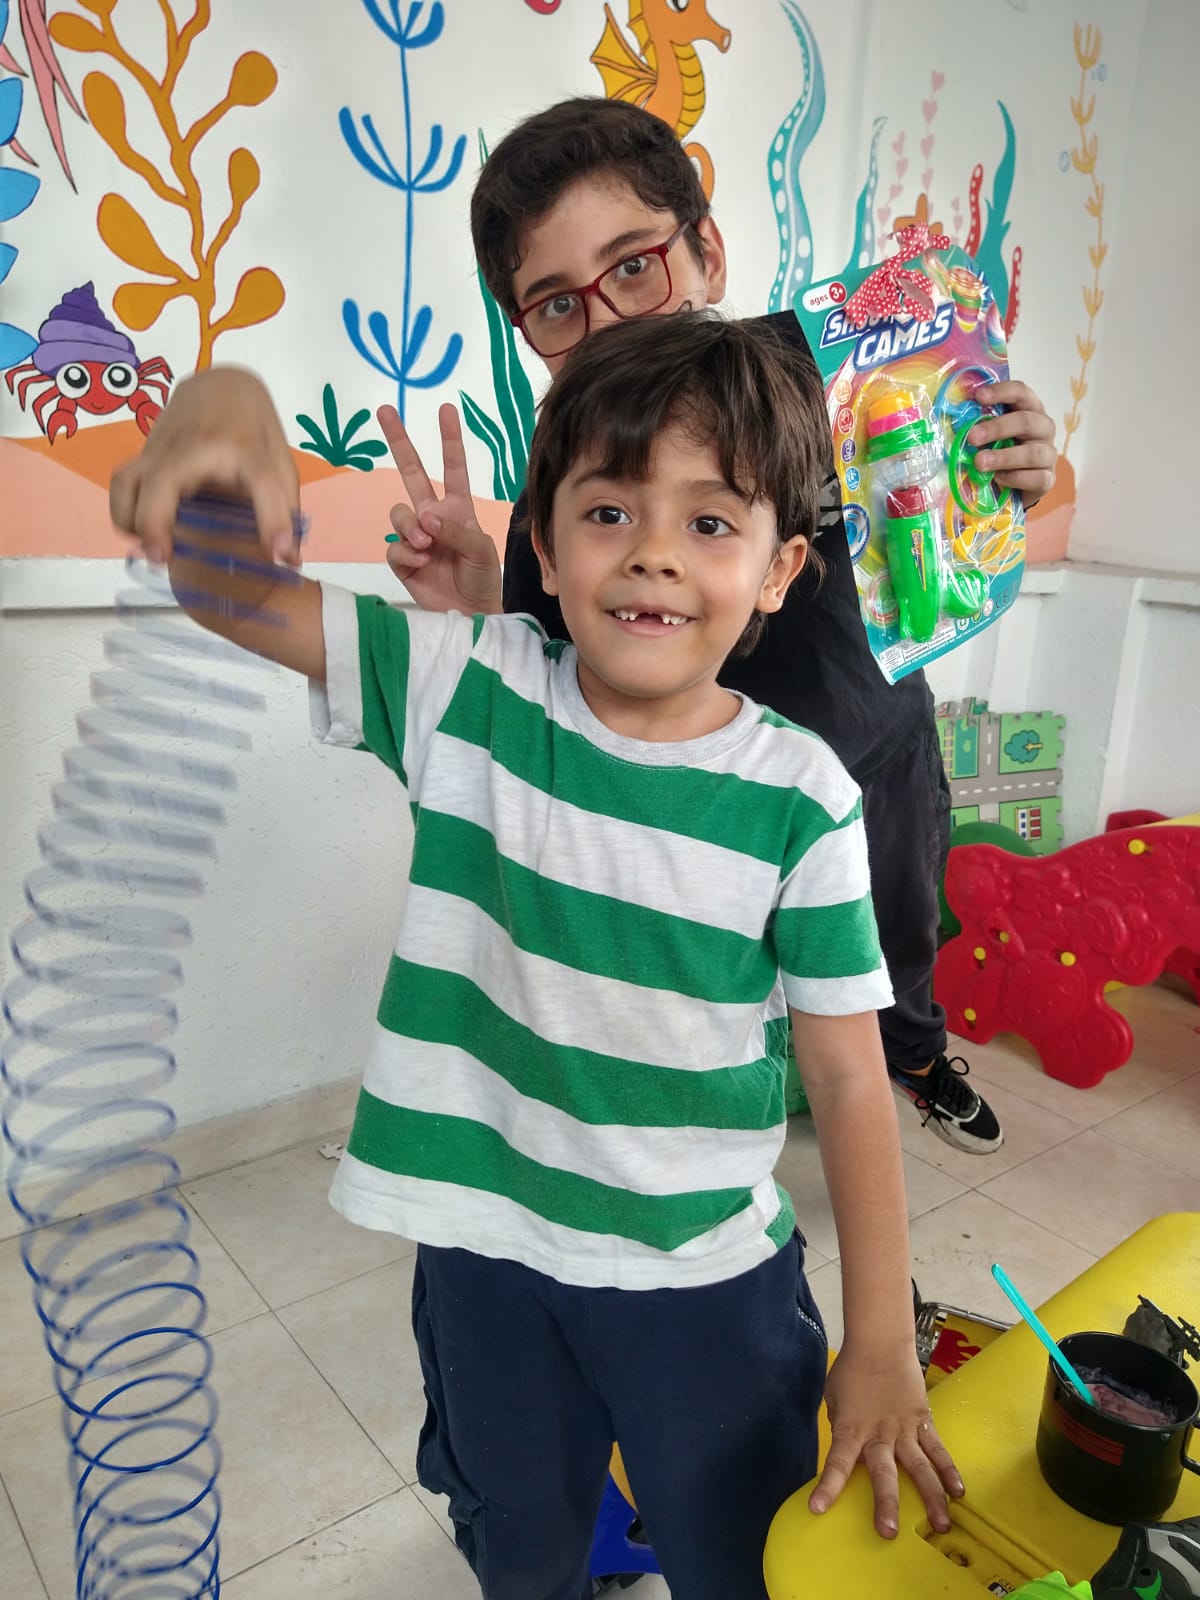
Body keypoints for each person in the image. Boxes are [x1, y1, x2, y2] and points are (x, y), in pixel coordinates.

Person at [121, 312, 963, 1600]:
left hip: (703, 1282)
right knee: (520, 1545)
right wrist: (206, 466)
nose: (655, 554)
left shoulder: (804, 797)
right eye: (610, 511)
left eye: (710, 521)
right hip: (489, 1262)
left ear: (780, 567)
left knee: (742, 1557)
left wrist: (881, 1341)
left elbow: (850, 1080)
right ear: (548, 548)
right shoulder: (472, 683)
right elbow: (227, 587)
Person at [114, 98, 1057, 1154]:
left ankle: (916, 1055)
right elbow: (557, 705)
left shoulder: (845, 375)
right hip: (693, 834)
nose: (610, 325)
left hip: (869, 765)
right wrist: (485, 601)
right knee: (723, 1031)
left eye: (635, 268)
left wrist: (1010, 460)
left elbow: (952, 491)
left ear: (705, 251)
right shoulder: (559, 502)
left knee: (892, 960)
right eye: (558, 303)